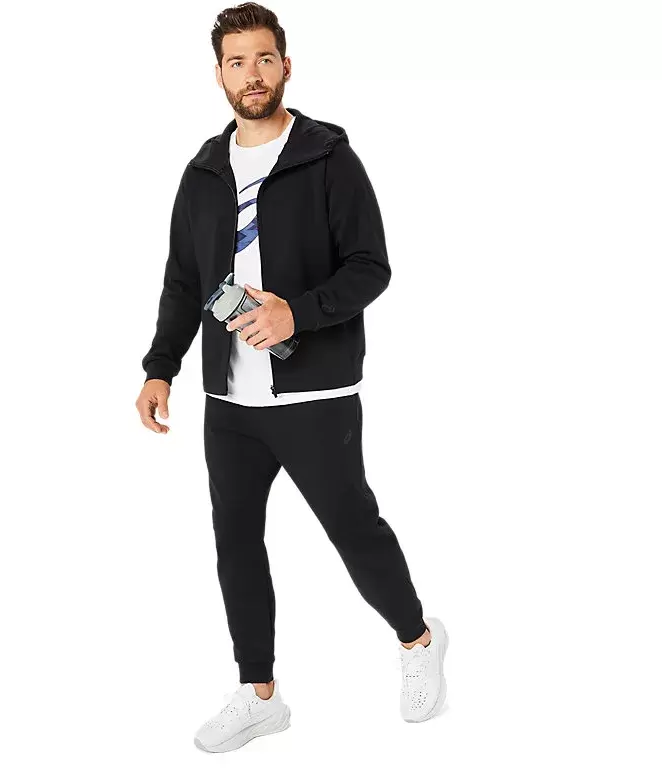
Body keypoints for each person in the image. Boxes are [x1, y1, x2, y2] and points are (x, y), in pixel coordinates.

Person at [135, 3, 449, 752]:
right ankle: (259, 693)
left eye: (264, 58)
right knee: (236, 544)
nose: (252, 74)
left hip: (315, 396)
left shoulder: (328, 157)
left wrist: (296, 315)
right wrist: (160, 368)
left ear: (285, 66)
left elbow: (371, 267)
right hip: (228, 402)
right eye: (237, 62)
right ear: (219, 75)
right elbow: (183, 281)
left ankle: (418, 639)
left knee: (353, 530)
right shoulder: (203, 171)